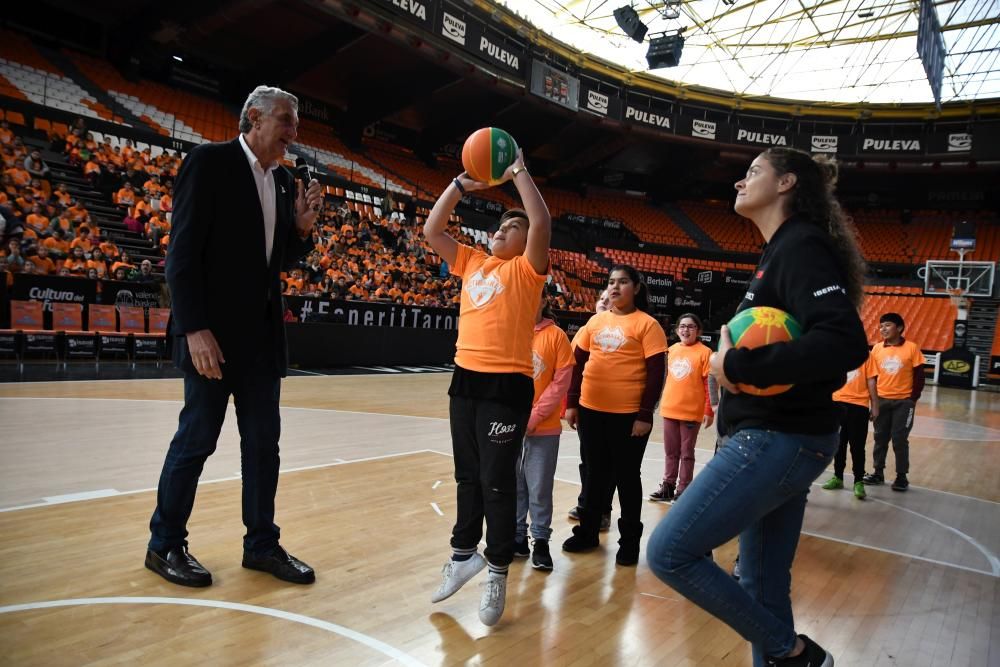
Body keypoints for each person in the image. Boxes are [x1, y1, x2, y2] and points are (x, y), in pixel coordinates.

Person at [646, 147, 868, 667]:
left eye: (753, 173)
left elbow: (844, 342)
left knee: (670, 553)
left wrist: (737, 368)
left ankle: (794, 653)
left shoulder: (800, 247)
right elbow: (824, 355)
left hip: (775, 440)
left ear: (788, 182)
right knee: (762, 584)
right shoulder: (781, 251)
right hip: (784, 440)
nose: (739, 183)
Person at [145, 86, 322, 589]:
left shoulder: (285, 182)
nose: (293, 133)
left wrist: (303, 232)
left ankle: (261, 545)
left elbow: (277, 263)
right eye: (286, 121)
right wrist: (194, 328)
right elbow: (180, 257)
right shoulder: (209, 162)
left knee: (265, 446)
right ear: (253, 118)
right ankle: (164, 544)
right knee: (197, 440)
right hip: (212, 339)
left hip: (262, 342)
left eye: (295, 124)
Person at [424, 149, 550, 626]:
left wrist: (517, 171)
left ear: (525, 243)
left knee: (498, 482)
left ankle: (497, 569)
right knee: (467, 475)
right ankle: (462, 556)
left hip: (507, 385)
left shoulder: (526, 271)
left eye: (510, 229)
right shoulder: (472, 261)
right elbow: (432, 231)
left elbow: (539, 220)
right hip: (466, 379)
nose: (500, 231)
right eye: (498, 226)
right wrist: (458, 186)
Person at [561, 265, 667, 566]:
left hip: (629, 416)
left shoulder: (648, 325)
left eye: (622, 282)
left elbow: (656, 374)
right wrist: (572, 402)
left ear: (636, 288)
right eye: (611, 283)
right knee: (594, 476)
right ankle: (588, 533)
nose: (615, 287)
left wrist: (644, 414)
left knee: (627, 478)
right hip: (591, 411)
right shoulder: (595, 322)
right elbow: (577, 364)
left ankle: (630, 542)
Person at [513, 299, 574, 571]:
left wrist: (534, 416)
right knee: (514, 484)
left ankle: (540, 541)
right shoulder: (512, 331)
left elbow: (560, 384)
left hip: (544, 428)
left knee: (539, 488)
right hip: (510, 426)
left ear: (543, 301)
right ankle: (516, 537)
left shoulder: (557, 337)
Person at [649, 313, 715, 503]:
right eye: (682, 326)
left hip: (690, 412)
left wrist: (708, 410)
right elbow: (662, 380)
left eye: (691, 326)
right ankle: (668, 486)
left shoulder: (705, 352)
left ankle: (684, 489)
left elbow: (709, 385)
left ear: (698, 331)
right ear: (677, 330)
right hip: (669, 409)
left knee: (686, 453)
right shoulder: (671, 350)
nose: (686, 330)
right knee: (671, 451)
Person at [566, 288, 615, 531]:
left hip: (614, 407)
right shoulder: (585, 332)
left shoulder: (620, 330)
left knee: (606, 463)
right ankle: (586, 504)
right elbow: (572, 370)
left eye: (609, 298)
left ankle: (603, 511)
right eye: (601, 298)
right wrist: (571, 403)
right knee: (588, 459)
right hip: (587, 404)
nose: (605, 301)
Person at [863, 313, 925, 492]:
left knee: (899, 439)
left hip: (903, 403)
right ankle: (878, 473)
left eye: (887, 325)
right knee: (880, 438)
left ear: (899, 328)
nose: (883, 329)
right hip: (881, 400)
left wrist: (912, 400)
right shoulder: (876, 349)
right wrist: (872, 401)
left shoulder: (912, 348)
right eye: (881, 326)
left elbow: (920, 377)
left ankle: (901, 476)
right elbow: (871, 376)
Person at [822, 351, 879, 499]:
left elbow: (871, 380)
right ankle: (838, 477)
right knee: (838, 444)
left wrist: (875, 405)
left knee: (857, 446)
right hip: (837, 403)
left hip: (859, 406)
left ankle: (858, 481)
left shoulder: (866, 355)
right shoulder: (836, 353)